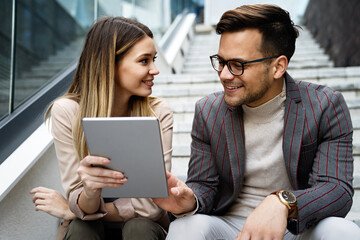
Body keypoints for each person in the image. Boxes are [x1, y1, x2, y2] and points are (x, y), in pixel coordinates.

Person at [152, 4, 360, 240]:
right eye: (221, 61)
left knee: (343, 231)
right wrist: (190, 201)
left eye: (238, 65)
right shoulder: (208, 111)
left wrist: (282, 202)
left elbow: (336, 189)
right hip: (230, 227)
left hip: (295, 226)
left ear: (278, 67)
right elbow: (204, 185)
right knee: (184, 227)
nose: (224, 74)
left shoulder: (325, 105)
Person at [30, 16, 173, 240]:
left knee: (139, 228)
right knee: (81, 229)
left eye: (153, 59)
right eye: (144, 61)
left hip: (145, 227)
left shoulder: (158, 112)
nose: (155, 70)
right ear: (110, 64)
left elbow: (152, 208)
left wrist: (73, 209)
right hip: (87, 228)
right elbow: (78, 197)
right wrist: (89, 194)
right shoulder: (67, 112)